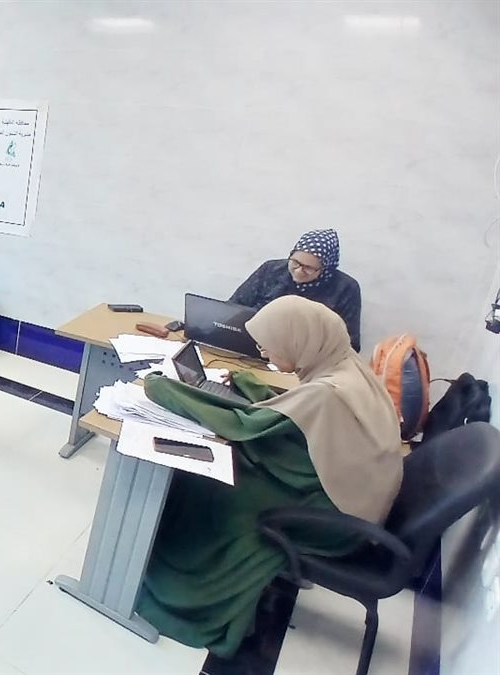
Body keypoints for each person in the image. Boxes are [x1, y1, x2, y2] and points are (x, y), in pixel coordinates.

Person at [133, 295, 403, 657]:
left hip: (333, 520)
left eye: (269, 344)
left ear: (301, 341)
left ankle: (184, 597)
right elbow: (289, 415)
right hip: (349, 499)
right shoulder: (346, 366)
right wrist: (247, 384)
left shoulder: (327, 394)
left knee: (212, 487)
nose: (263, 352)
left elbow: (244, 425)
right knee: (233, 469)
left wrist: (164, 389)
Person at [229, 228, 362, 350]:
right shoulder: (271, 270)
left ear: (325, 269)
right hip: (252, 345)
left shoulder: (346, 288)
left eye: (309, 268)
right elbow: (233, 308)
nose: (298, 271)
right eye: (295, 262)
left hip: (306, 359)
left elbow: (350, 344)